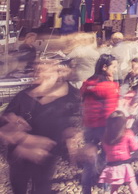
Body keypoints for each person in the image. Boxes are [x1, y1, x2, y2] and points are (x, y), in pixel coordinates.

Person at [2, 59, 81, 193]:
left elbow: (71, 124)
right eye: (37, 70)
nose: (39, 74)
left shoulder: (68, 98)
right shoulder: (24, 97)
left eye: (44, 70)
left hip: (47, 158)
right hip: (20, 157)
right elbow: (3, 124)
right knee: (19, 186)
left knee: (41, 187)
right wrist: (25, 140)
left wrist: (71, 137)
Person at [80, 54, 120, 194]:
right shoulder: (109, 86)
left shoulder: (87, 83)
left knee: (89, 159)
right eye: (114, 67)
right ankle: (106, 188)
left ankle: (86, 190)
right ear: (104, 67)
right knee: (107, 157)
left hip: (89, 127)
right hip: (105, 128)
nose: (115, 69)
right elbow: (112, 112)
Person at [98, 110, 138, 194]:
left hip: (112, 166)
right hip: (124, 165)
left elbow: (105, 149)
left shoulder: (106, 136)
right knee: (132, 184)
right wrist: (136, 141)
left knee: (114, 187)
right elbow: (135, 147)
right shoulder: (128, 133)